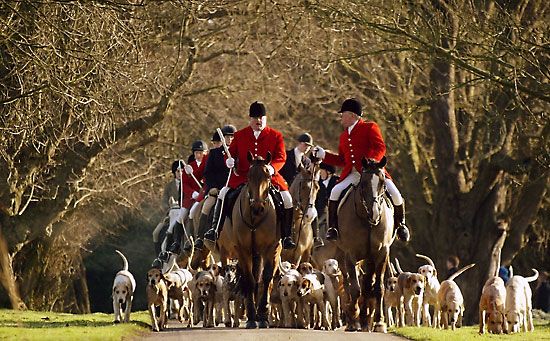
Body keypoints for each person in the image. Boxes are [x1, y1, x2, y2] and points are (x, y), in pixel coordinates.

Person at [313, 98, 410, 242]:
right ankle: (333, 227)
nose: (341, 118)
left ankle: (401, 225)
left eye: (343, 115)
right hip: (353, 174)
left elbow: (380, 147)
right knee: (335, 192)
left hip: (372, 171)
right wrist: (324, 155)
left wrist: (372, 162)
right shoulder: (344, 136)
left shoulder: (370, 127)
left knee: (395, 193)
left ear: (352, 115)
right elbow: (342, 160)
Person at [203, 101, 296, 249]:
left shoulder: (276, 136)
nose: (258, 121)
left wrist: (272, 169)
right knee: (223, 193)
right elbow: (230, 154)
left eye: (261, 118)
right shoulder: (240, 135)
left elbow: (281, 157)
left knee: (287, 199)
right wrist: (229, 161)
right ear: (250, 119)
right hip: (244, 176)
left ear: (265, 119)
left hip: (268, 176)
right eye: (255, 118)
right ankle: (215, 230)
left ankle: (286, 236)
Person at [194, 125, 236, 250]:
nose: (230, 139)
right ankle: (200, 238)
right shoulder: (214, 153)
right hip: (217, 190)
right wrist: (212, 188)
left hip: (234, 188)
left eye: (232, 137)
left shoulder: (239, 152)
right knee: (206, 207)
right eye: (228, 137)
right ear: (223, 138)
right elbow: (208, 173)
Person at [166, 140, 208, 255]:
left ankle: (199, 238)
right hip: (190, 198)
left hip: (204, 195)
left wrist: (202, 191)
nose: (198, 155)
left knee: (195, 213)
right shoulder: (189, 167)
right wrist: (192, 193)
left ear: (206, 153)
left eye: (201, 153)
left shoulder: (208, 164)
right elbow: (184, 184)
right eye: (196, 153)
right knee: (181, 217)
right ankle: (177, 243)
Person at [152, 160, 182, 256]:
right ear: (174, 172)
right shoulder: (169, 186)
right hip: (171, 212)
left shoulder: (188, 184)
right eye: (178, 171)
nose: (180, 173)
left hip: (183, 212)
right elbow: (164, 201)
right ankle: (159, 258)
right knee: (156, 233)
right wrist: (168, 208)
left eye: (182, 170)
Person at [315, 162, 339, 240]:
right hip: (319, 211)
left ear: (328, 172)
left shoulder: (337, 182)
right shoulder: (318, 183)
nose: (320, 173)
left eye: (321, 171)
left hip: (333, 212)